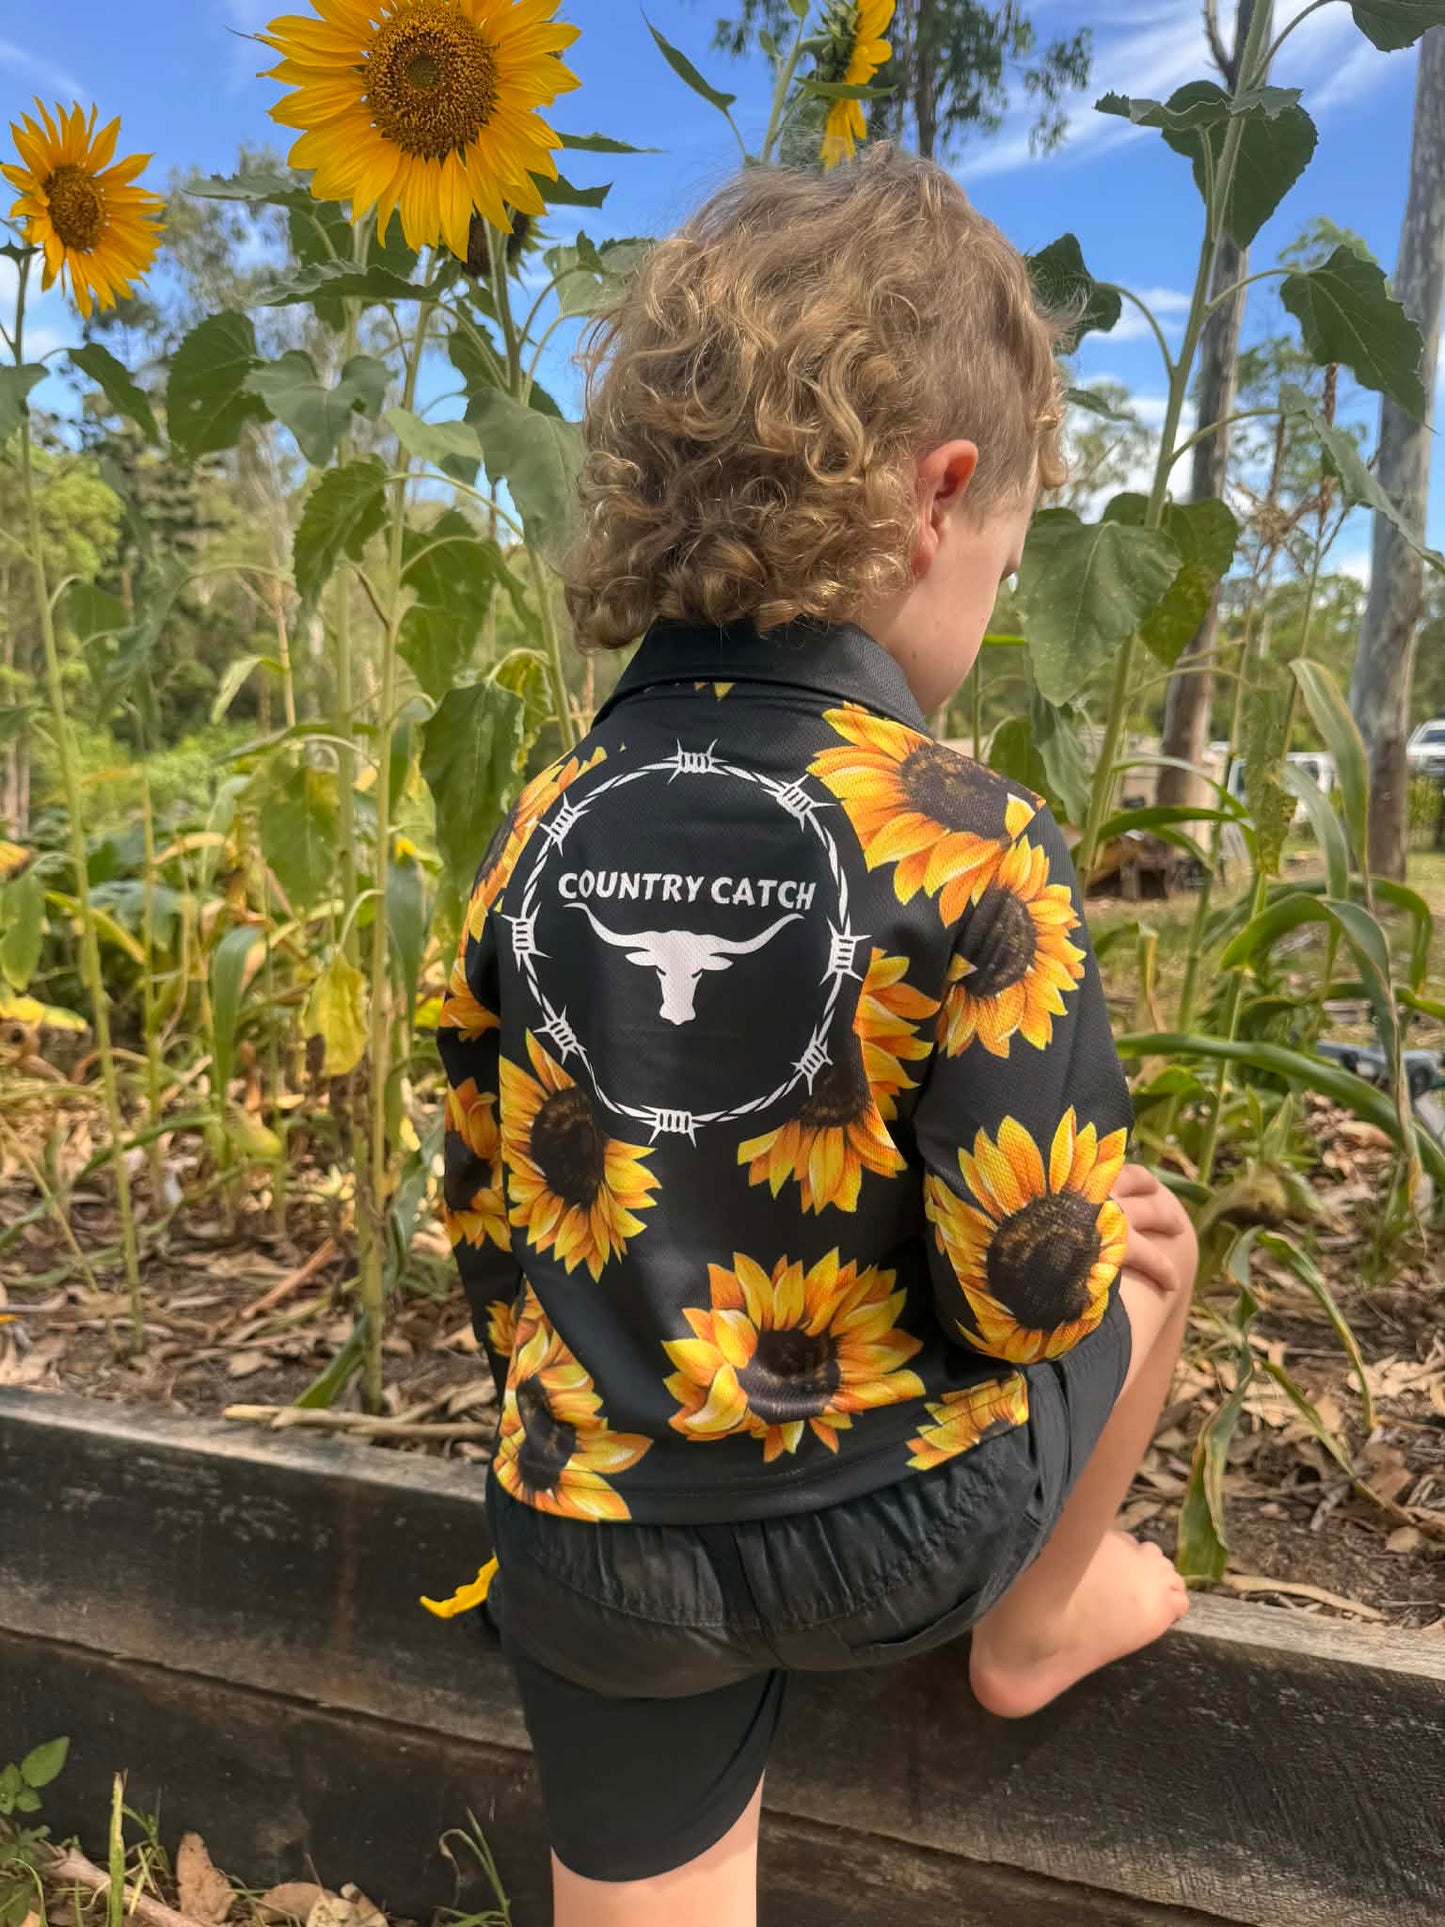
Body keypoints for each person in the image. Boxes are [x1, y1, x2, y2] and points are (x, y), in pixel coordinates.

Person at [432, 146, 1199, 1927]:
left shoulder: (537, 826)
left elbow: (488, 1220)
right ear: (941, 500)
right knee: (1145, 1243)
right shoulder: (968, 834)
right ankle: (1038, 1623)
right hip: (892, 1533)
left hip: (589, 1540)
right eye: (1003, 560)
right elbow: (1022, 1289)